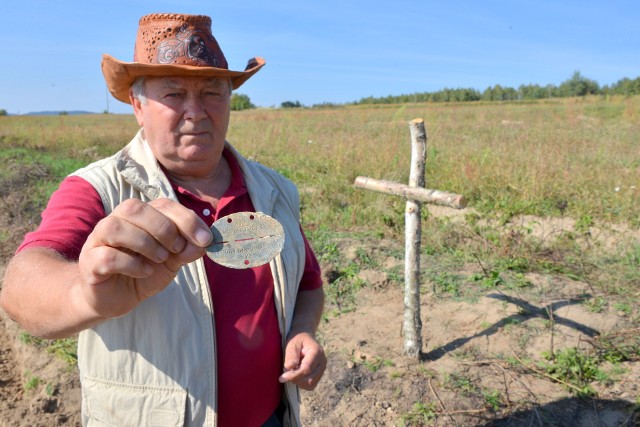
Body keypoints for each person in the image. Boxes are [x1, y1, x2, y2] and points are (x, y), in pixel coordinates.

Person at [0, 13, 326, 427]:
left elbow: (308, 284)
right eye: (173, 94)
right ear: (138, 105)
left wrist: (302, 331)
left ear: (230, 98)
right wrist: (84, 294)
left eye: (212, 91)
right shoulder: (99, 190)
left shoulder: (276, 191)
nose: (196, 111)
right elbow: (20, 288)